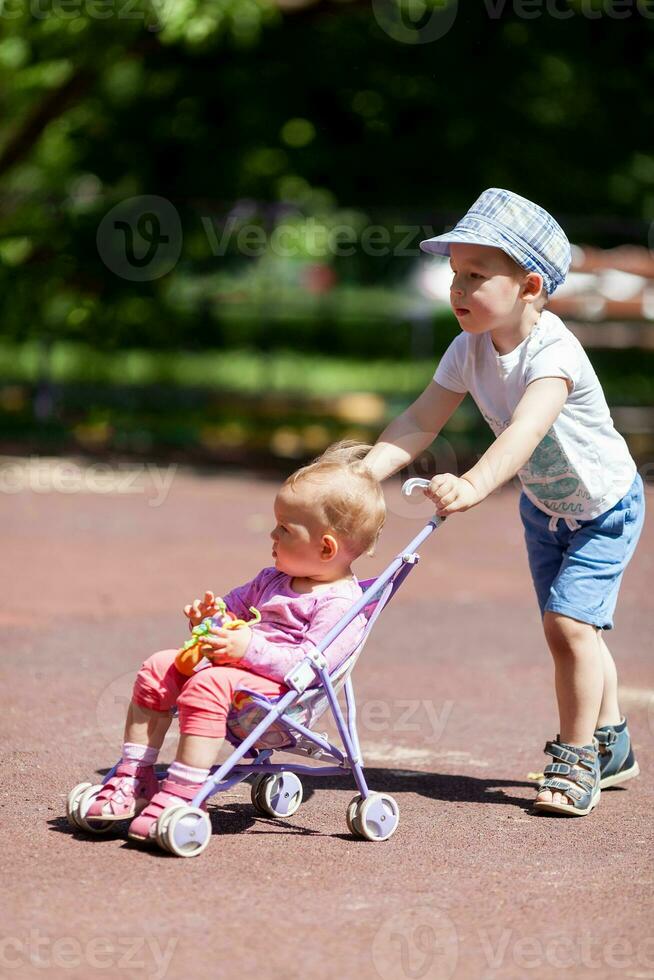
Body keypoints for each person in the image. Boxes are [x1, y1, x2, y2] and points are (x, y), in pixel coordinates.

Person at [366, 188, 645, 817]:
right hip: (545, 510)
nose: (459, 290)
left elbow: (524, 431)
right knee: (575, 630)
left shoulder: (554, 353)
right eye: (455, 275)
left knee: (569, 626)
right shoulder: (468, 347)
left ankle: (576, 760)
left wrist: (471, 485)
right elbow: (421, 416)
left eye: (477, 276)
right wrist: (369, 470)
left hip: (605, 507)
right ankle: (613, 743)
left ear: (530, 286)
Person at [83, 441, 385, 841]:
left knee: (210, 682)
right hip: (237, 682)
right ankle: (134, 776)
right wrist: (212, 619)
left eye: (284, 528)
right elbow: (232, 607)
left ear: (325, 547)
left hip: (281, 705)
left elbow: (311, 665)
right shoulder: (271, 580)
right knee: (159, 665)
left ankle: (183, 794)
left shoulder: (342, 606)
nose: (272, 533)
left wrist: (247, 649)